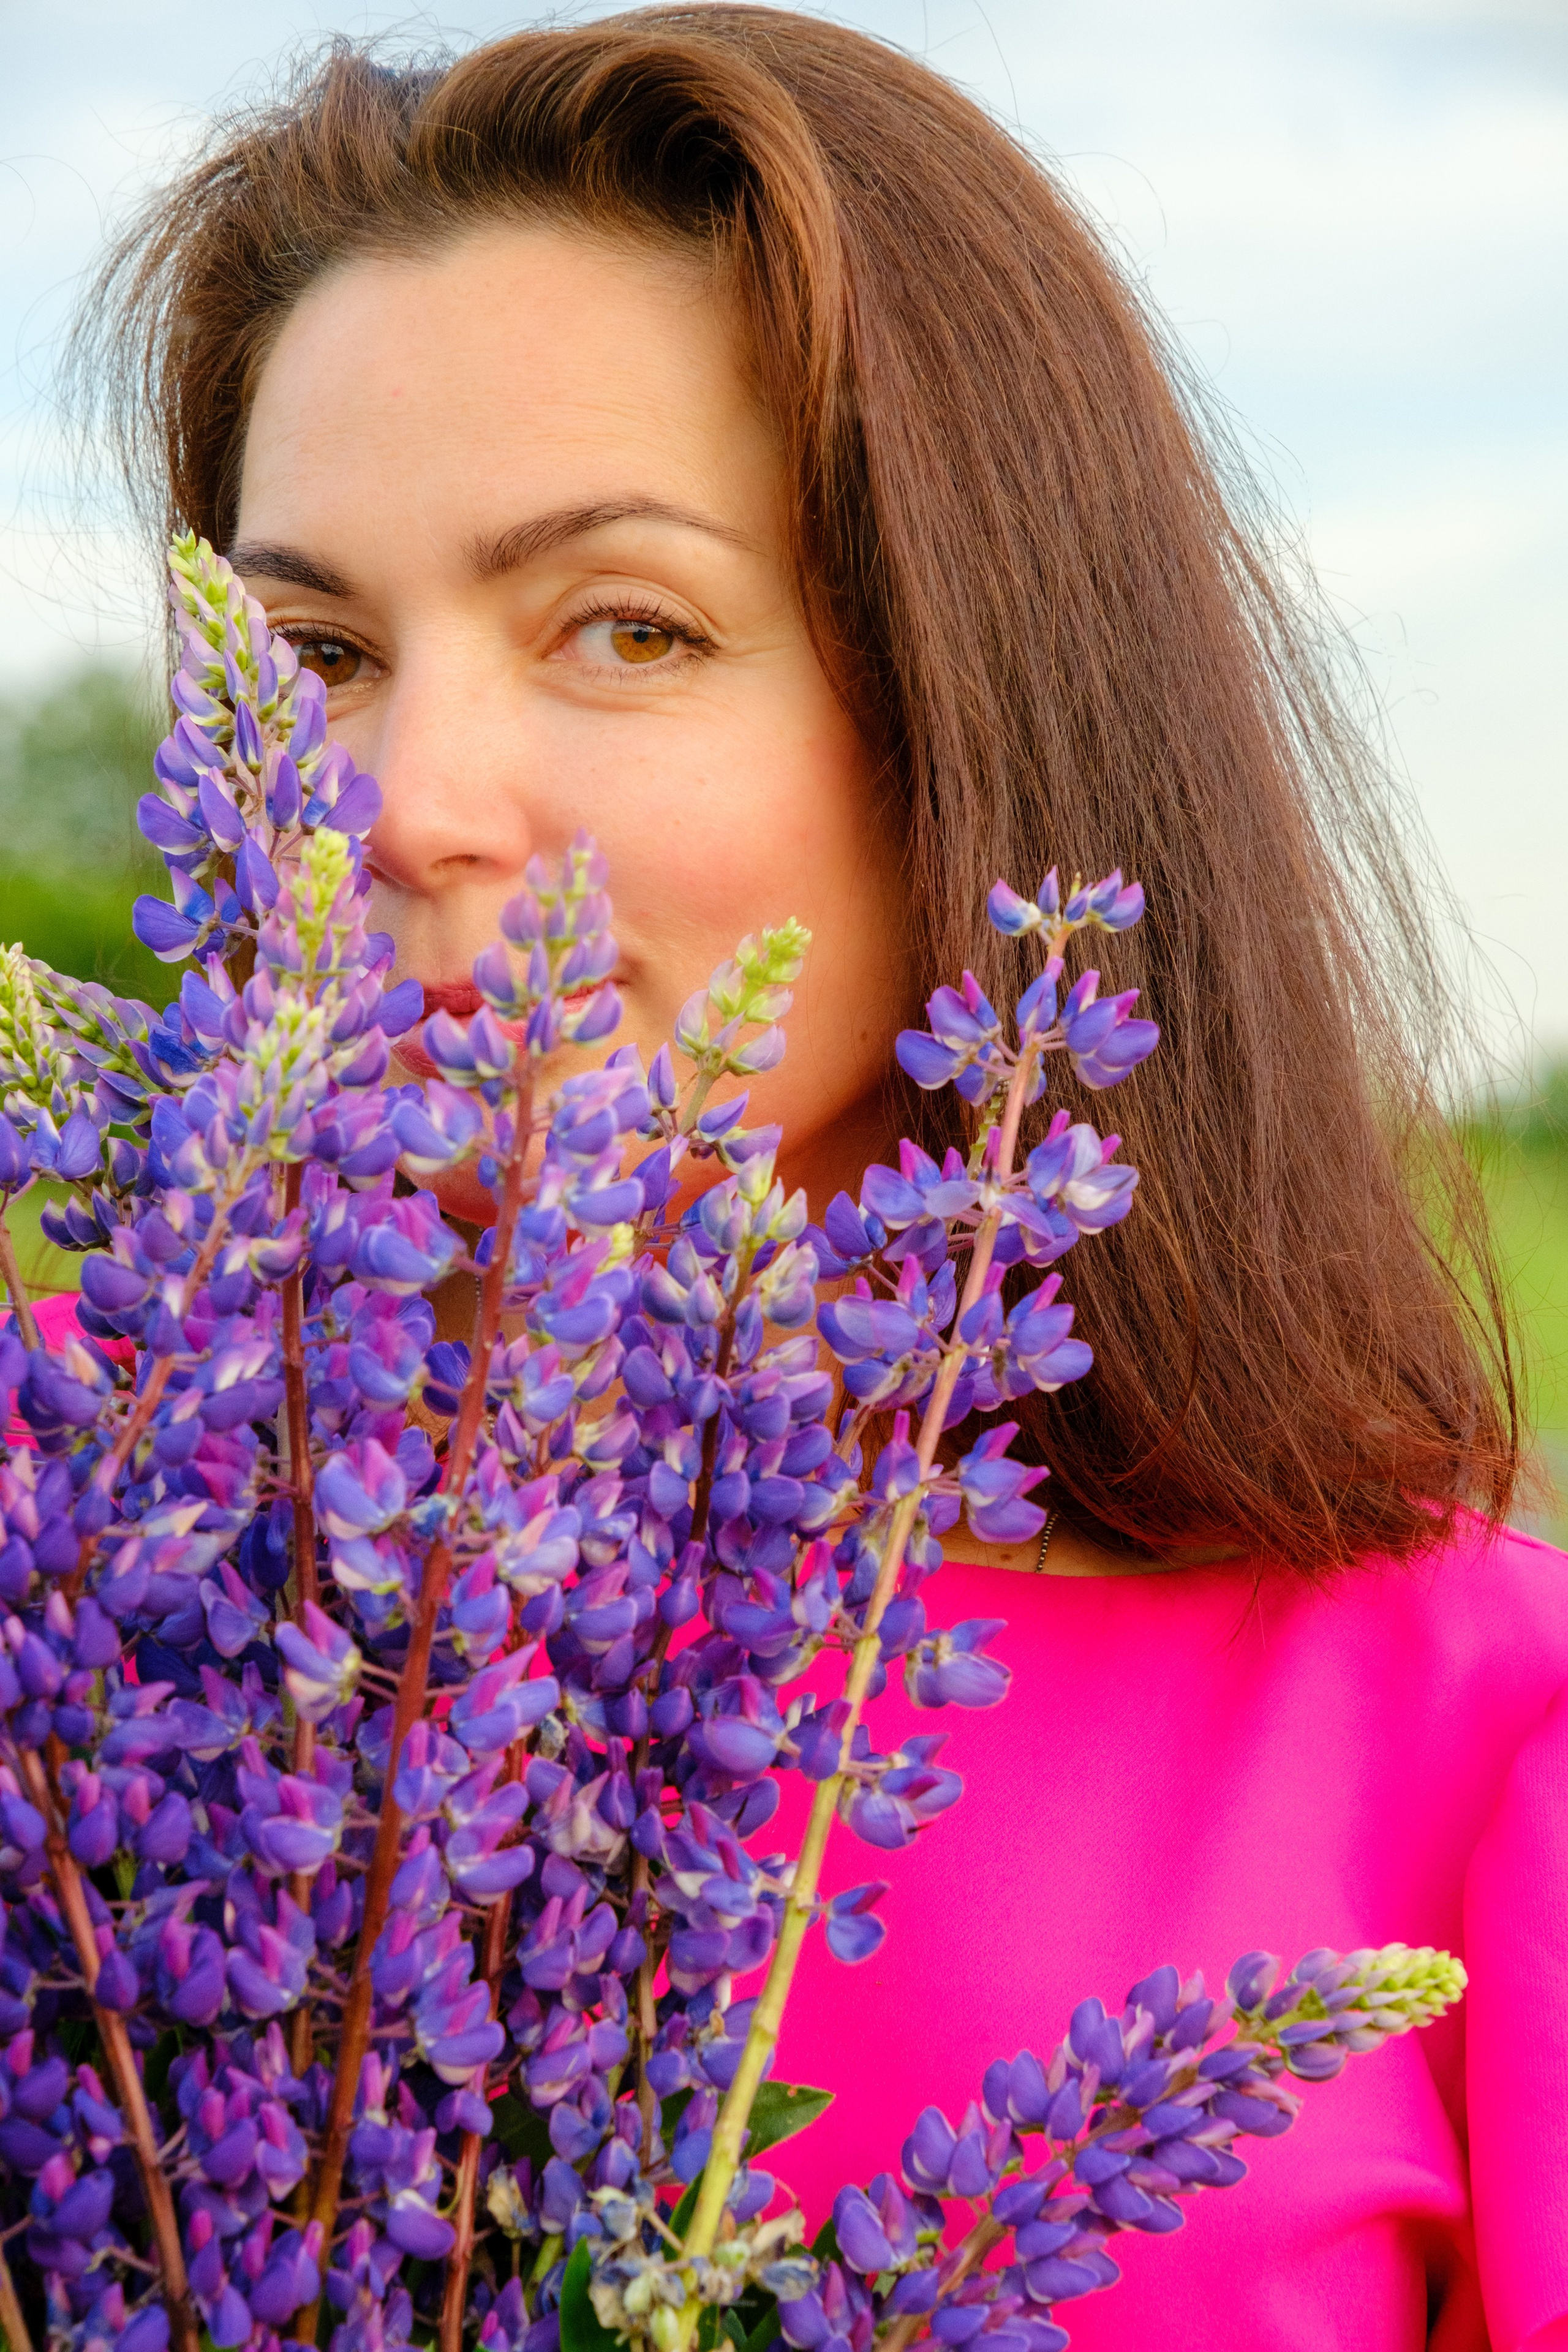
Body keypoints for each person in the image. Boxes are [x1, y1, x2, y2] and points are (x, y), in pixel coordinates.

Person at [67, 10, 1565, 2346]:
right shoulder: (82, 1496)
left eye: (627, 625)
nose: (405, 799)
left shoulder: (1473, 1723)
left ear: (976, 708)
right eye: (317, 652)